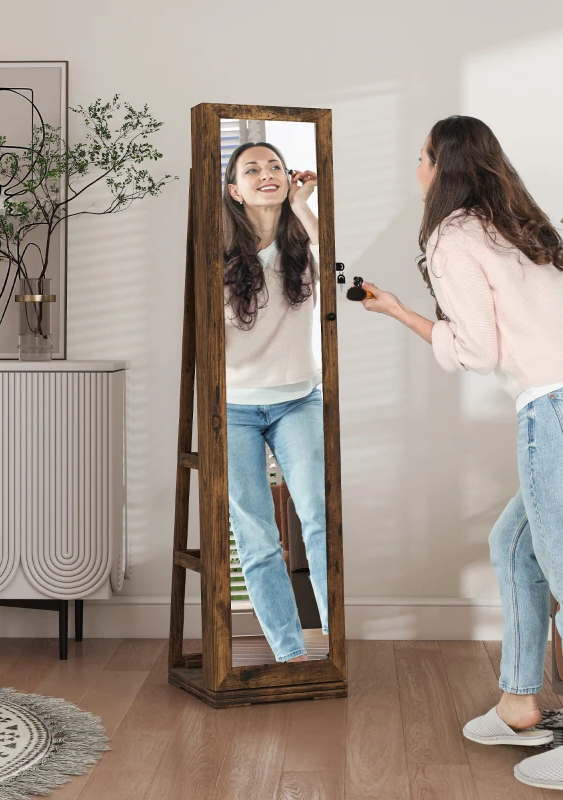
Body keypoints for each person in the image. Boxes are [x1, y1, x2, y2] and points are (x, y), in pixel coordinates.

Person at [359, 115, 563, 795]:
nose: (416, 168)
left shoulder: (451, 236)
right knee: (513, 546)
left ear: (442, 167)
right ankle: (518, 703)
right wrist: (401, 309)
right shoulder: (512, 223)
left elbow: (478, 352)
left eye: (422, 156)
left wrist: (403, 316)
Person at [222, 141, 329, 664]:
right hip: (233, 408)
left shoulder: (303, 243)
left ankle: (335, 644)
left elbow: (337, 264)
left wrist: (303, 203)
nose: (267, 174)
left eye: (276, 167)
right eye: (252, 169)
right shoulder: (217, 255)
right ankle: (290, 654)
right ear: (235, 191)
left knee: (320, 521)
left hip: (297, 401)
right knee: (257, 537)